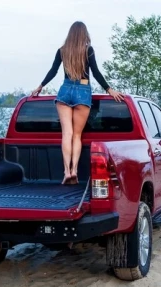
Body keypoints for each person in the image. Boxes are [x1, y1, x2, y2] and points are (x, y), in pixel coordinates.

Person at [31, 21, 124, 185]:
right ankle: (74, 171)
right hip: (82, 90)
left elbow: (53, 71)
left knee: (66, 134)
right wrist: (110, 90)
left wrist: (40, 87)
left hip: (65, 90)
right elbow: (95, 72)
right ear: (84, 34)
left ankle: (66, 172)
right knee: (77, 135)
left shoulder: (62, 51)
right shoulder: (88, 50)